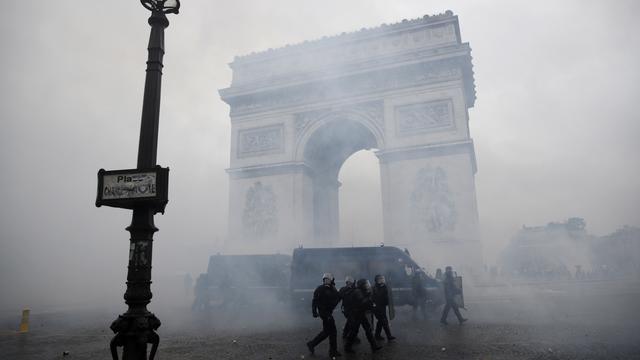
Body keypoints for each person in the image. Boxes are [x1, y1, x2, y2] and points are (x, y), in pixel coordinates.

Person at [307, 273, 342, 358]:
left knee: (327, 332)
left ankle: (312, 344)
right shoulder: (320, 289)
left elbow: (337, 298)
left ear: (331, 280)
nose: (326, 281)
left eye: (328, 279)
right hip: (324, 313)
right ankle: (332, 351)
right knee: (332, 332)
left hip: (328, 313)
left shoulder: (332, 289)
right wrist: (314, 312)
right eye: (325, 279)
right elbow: (314, 301)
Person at [344, 279, 382, 354]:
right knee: (354, 331)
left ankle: (374, 346)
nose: (368, 285)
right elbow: (363, 302)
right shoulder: (358, 291)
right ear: (362, 285)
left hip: (360, 313)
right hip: (355, 314)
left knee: (368, 329)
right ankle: (347, 347)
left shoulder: (361, 290)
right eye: (366, 284)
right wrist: (370, 297)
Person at [372, 275, 396, 341]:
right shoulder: (375, 287)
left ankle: (377, 335)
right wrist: (384, 287)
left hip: (382, 307)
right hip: (377, 308)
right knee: (384, 321)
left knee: (381, 321)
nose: (383, 279)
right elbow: (379, 296)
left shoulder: (382, 286)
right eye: (382, 278)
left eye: (383, 278)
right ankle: (389, 336)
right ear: (378, 280)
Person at [338, 276, 359, 343]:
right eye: (348, 282)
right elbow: (338, 298)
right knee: (353, 324)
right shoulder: (343, 289)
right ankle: (352, 337)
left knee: (349, 321)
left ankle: (345, 334)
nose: (349, 283)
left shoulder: (355, 289)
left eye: (350, 282)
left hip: (353, 309)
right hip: (346, 309)